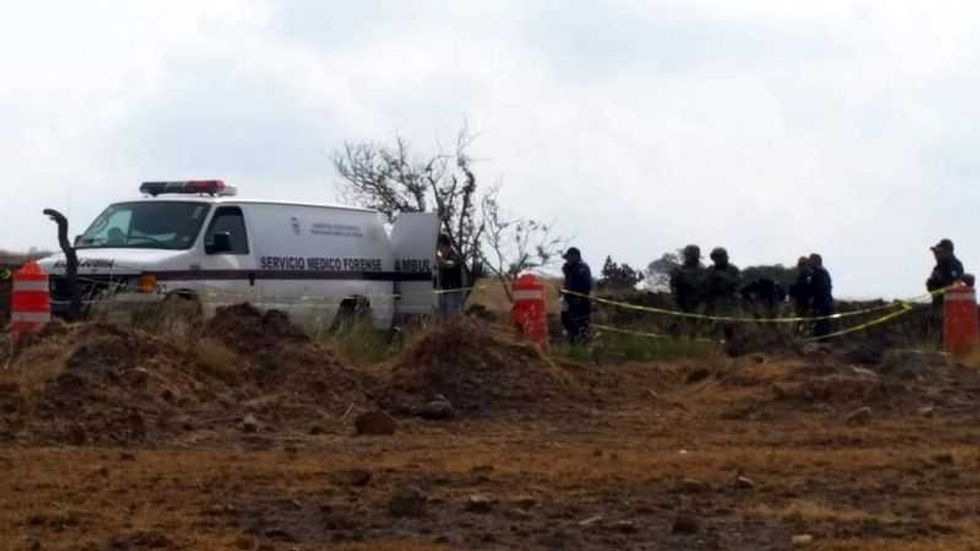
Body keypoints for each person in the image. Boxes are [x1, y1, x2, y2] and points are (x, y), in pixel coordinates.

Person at [561, 247, 592, 343]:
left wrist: (578, 296)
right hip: (569, 300)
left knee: (581, 324)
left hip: (580, 301)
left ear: (576, 257)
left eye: (569, 257)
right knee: (566, 320)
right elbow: (568, 284)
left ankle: (582, 342)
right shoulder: (569, 269)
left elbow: (585, 285)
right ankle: (572, 341)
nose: (567, 260)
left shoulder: (582, 268)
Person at [926, 238, 965, 304]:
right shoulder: (938, 267)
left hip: (951, 304)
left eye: (938, 252)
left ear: (947, 252)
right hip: (938, 303)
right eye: (935, 252)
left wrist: (941, 281)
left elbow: (955, 283)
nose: (936, 255)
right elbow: (931, 283)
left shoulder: (955, 265)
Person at [669, 245, 705, 313]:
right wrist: (676, 307)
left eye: (694, 255)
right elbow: (674, 291)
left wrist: (703, 307)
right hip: (682, 306)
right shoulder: (678, 271)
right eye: (688, 255)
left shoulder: (704, 272)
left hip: (700, 308)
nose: (691, 257)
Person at [435, 234, 465, 316]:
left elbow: (450, 264)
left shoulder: (454, 255)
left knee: (452, 317)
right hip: (444, 291)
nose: (440, 250)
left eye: (441, 248)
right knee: (442, 317)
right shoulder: (443, 257)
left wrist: (441, 260)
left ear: (446, 246)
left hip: (453, 293)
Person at [704, 247, 741, 313]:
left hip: (728, 300)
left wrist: (723, 276)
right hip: (711, 301)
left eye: (720, 257)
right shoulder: (710, 269)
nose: (717, 259)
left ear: (725, 257)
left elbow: (737, 283)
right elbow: (704, 284)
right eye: (715, 257)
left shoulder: (732, 269)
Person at [808, 253, 834, 337]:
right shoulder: (824, 272)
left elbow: (817, 288)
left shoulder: (818, 272)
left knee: (820, 327)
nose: (809, 262)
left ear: (816, 261)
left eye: (811, 260)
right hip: (826, 303)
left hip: (820, 304)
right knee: (823, 326)